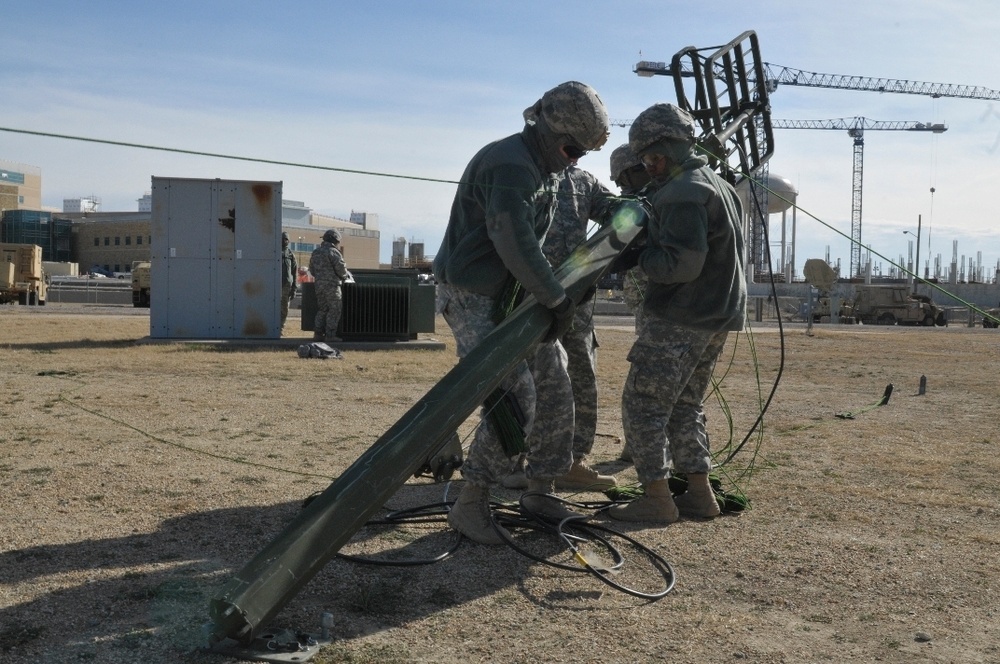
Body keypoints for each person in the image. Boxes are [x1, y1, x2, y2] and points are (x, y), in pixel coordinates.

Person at [432, 81, 610, 544]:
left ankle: (541, 487)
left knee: (555, 382)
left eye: (583, 153)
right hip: (473, 293)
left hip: (512, 293)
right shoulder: (511, 163)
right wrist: (555, 297)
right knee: (515, 393)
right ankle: (473, 498)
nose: (575, 159)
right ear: (547, 129)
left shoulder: (545, 163)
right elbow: (512, 238)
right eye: (572, 148)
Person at [608, 103, 746, 524]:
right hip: (716, 315)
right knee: (686, 404)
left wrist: (635, 257)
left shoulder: (683, 191)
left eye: (652, 157)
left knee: (643, 404)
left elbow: (682, 265)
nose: (648, 167)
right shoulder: (717, 184)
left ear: (668, 147)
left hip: (681, 316)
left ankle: (656, 498)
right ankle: (699, 496)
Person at [503, 165, 619, 491]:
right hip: (530, 297)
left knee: (582, 378)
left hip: (577, 301)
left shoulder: (585, 181)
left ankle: (572, 462)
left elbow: (617, 212)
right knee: (526, 382)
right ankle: (516, 460)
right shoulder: (527, 172)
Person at [309, 228, 351, 342]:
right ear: (335, 240)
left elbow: (312, 270)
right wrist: (344, 276)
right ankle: (330, 335)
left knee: (323, 309)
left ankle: (318, 334)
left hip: (319, 286)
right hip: (332, 285)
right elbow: (341, 269)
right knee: (334, 309)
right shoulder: (333, 252)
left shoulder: (316, 252)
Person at [280, 232, 297, 332]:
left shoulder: (290, 254)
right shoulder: (274, 252)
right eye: (282, 239)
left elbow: (295, 272)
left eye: (286, 239)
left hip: (286, 285)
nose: (284, 241)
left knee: (284, 308)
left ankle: (280, 328)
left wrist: (294, 288)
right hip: (275, 285)